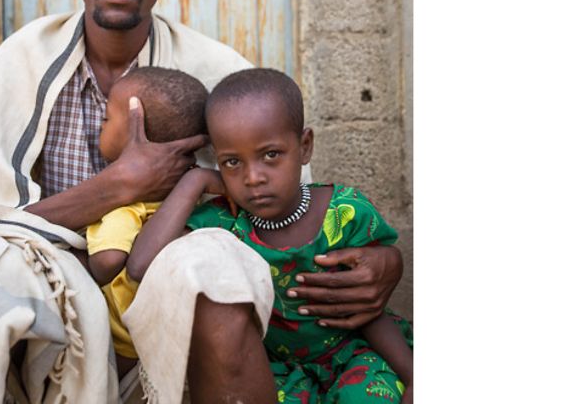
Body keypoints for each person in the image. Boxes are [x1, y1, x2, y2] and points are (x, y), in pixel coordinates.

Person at [0, 0, 405, 404]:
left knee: (209, 262)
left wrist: (385, 261)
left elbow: (284, 206)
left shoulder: (215, 70)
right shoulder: (25, 57)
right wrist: (122, 185)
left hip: (161, 292)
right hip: (50, 275)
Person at [128, 69, 413, 403]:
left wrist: (413, 377)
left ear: (304, 147)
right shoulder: (221, 225)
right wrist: (196, 181)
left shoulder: (344, 212)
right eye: (232, 162)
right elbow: (141, 265)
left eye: (271, 155)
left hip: (352, 356)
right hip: (275, 371)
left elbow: (369, 306)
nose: (253, 178)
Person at [86, 67, 209, 378]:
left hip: (120, 340)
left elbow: (107, 262)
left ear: (134, 134)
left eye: (108, 119)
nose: (101, 123)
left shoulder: (126, 209)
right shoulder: (189, 202)